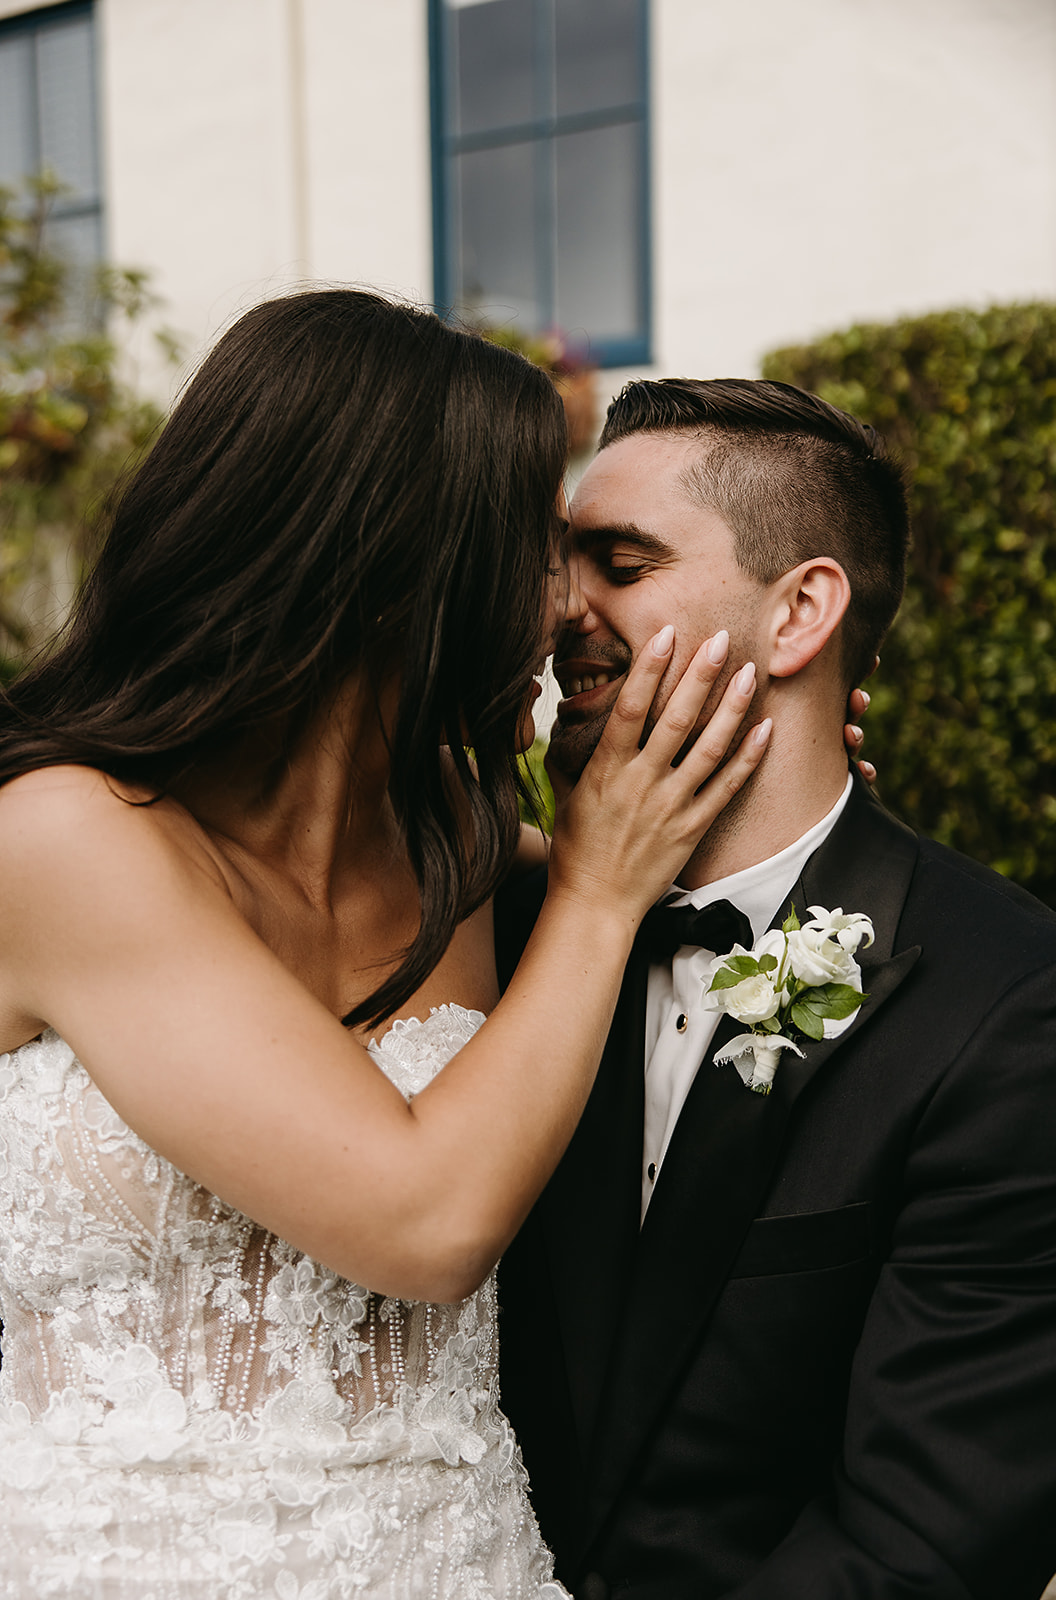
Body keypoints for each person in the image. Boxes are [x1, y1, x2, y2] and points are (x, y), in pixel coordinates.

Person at [0, 292, 778, 1598]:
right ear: (409, 566)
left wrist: (776, 771)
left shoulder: (449, 838)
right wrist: (593, 895)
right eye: (540, 551)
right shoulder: (64, 842)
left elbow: (680, 874)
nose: (566, 610)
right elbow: (425, 1224)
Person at [497, 378, 1056, 1600]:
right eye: (557, 561)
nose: (558, 609)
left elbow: (920, 1543)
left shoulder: (1010, 1014)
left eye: (618, 560)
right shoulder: (493, 938)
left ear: (799, 612)